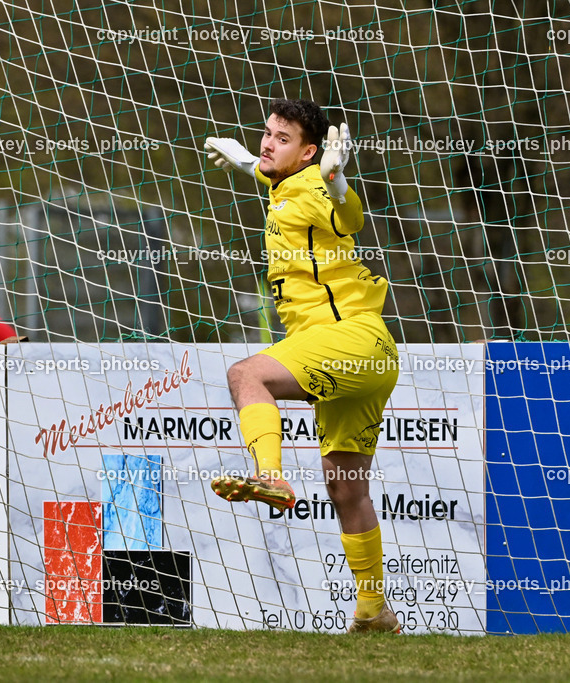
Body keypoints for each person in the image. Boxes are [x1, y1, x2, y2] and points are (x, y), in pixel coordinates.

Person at [204, 99, 401, 633]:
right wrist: (249, 158)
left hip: (348, 339)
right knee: (346, 489)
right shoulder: (285, 183)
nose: (268, 143)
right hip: (371, 353)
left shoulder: (314, 185)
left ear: (310, 152)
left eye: (281, 138)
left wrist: (335, 181)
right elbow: (274, 175)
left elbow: (348, 216)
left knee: (247, 375)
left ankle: (269, 475)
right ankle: (374, 611)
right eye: (266, 133)